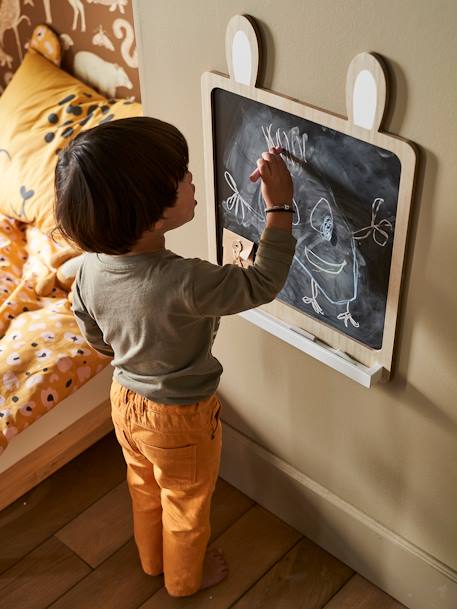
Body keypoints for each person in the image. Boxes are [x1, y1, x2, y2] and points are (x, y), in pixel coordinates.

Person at [53, 116, 296, 597]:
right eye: (181, 175)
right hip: (179, 419)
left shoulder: (85, 269)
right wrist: (281, 207)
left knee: (143, 490)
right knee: (186, 504)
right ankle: (185, 580)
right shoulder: (186, 280)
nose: (191, 178)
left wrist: (134, 351)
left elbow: (96, 337)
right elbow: (261, 283)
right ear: (154, 216)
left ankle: (150, 562)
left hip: (124, 400)